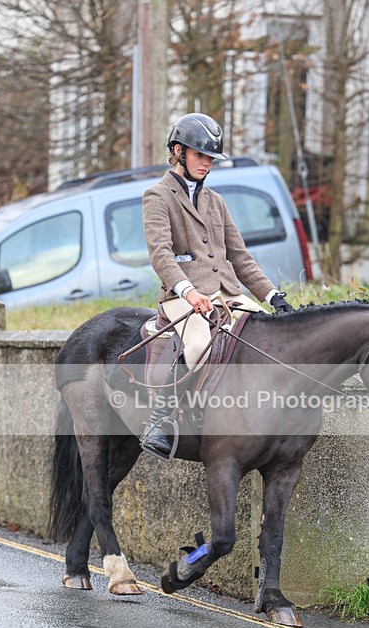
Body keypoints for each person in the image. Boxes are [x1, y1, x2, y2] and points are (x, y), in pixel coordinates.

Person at [141, 112, 294, 460]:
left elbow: (241, 258)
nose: (206, 163)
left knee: (269, 336)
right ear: (178, 151)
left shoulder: (216, 202)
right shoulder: (157, 196)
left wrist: (273, 296)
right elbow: (161, 254)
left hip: (228, 294)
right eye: (200, 155)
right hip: (184, 296)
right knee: (196, 344)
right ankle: (159, 420)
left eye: (210, 158)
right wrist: (188, 292)